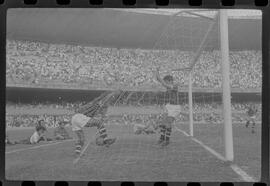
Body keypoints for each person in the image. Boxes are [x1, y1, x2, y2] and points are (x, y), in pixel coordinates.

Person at [155, 66, 182, 146]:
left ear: (170, 81)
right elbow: (160, 80)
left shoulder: (175, 86)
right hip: (169, 106)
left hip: (175, 107)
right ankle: (162, 138)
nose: (165, 83)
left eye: (166, 81)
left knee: (168, 123)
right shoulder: (169, 86)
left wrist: (159, 77)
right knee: (163, 122)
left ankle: (167, 140)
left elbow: (162, 83)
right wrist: (157, 71)